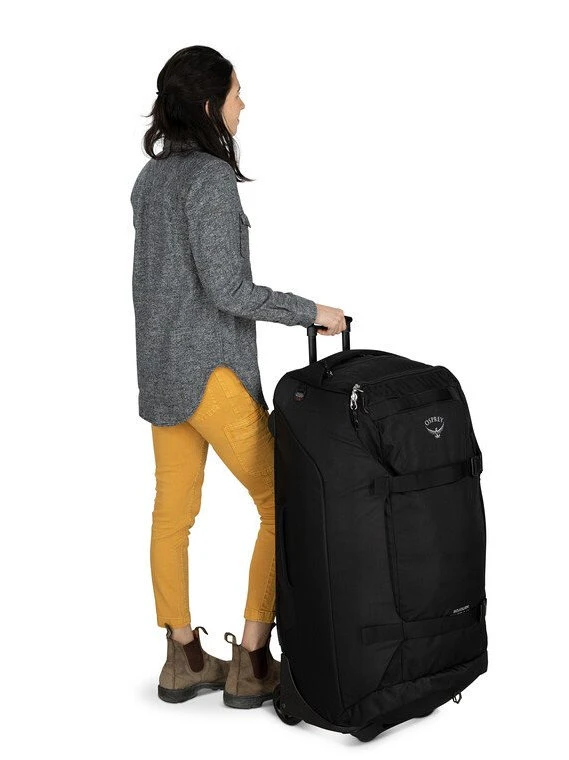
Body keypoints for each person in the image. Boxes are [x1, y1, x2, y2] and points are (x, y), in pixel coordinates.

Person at [130, 45, 346, 708]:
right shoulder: (209, 181)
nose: (242, 104)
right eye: (235, 93)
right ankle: (252, 660)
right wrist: (312, 312)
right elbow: (228, 290)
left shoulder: (150, 179)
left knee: (172, 514)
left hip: (160, 374)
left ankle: (183, 658)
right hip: (211, 376)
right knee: (283, 501)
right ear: (207, 104)